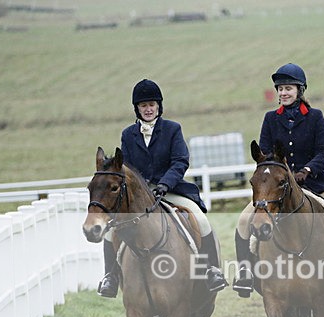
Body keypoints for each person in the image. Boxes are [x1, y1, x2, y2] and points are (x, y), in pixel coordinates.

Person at [232, 63, 324, 297]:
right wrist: (281, 174)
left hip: (314, 183)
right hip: (277, 189)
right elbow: (266, 155)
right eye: (280, 89)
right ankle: (245, 274)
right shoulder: (270, 119)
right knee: (242, 221)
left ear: (300, 90)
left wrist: (307, 170)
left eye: (288, 88)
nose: (283, 93)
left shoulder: (315, 117)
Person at [97, 78, 228, 297]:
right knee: (111, 230)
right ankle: (110, 276)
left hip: (171, 190)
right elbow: (126, 167)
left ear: (159, 106)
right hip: (139, 197)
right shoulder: (128, 134)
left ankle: (211, 270)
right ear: (137, 109)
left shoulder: (172, 129)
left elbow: (180, 161)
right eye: (143, 106)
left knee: (201, 220)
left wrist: (164, 184)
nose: (148, 109)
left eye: (151, 105)